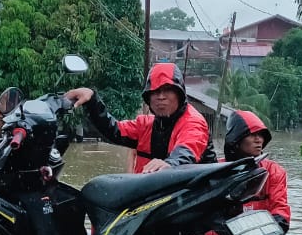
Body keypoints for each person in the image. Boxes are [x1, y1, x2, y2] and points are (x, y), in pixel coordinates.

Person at [64, 62, 214, 173]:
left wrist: (171, 164)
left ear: (179, 94)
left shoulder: (193, 122)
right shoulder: (144, 125)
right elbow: (114, 130)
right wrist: (91, 101)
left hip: (194, 200)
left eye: (167, 90)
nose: (160, 97)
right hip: (155, 198)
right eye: (155, 92)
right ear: (148, 98)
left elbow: (187, 151)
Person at [223, 109, 291, 235]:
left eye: (261, 135)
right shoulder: (218, 170)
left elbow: (280, 210)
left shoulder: (274, 171)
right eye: (253, 134)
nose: (259, 140)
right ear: (237, 139)